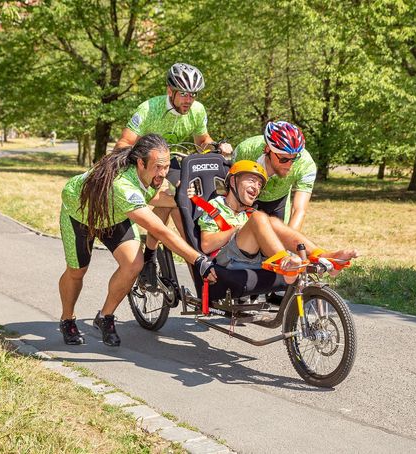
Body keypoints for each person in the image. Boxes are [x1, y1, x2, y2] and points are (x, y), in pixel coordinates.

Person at [58, 133, 217, 347]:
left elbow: (152, 197)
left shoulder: (149, 175)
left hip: (116, 215)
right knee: (77, 272)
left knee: (134, 264)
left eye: (167, 166)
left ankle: (105, 317)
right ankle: (67, 319)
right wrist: (199, 260)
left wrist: (184, 198)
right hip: (79, 215)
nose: (163, 173)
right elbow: (160, 231)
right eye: (158, 167)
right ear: (140, 163)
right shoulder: (123, 185)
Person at [113, 63, 234, 292]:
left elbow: (202, 141)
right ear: (171, 91)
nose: (189, 100)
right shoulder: (149, 109)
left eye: (194, 94)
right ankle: (188, 262)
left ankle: (153, 256)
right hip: (147, 164)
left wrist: (217, 146)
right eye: (184, 94)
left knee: (188, 204)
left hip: (175, 163)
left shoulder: (197, 110)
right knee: (180, 204)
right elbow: (123, 143)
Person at [195, 160, 356, 284]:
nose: (256, 187)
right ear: (233, 182)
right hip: (225, 259)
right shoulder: (215, 206)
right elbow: (207, 245)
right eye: (251, 181)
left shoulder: (248, 212)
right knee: (259, 218)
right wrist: (237, 229)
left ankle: (323, 256)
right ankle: (285, 263)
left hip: (252, 256)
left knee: (271, 221)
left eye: (259, 185)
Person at [233, 121, 317, 231]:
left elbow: (299, 210)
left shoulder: (306, 164)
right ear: (268, 149)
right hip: (245, 197)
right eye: (283, 159)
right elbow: (231, 185)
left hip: (278, 200)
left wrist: (290, 242)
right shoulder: (246, 150)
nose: (289, 165)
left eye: (294, 158)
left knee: (279, 240)